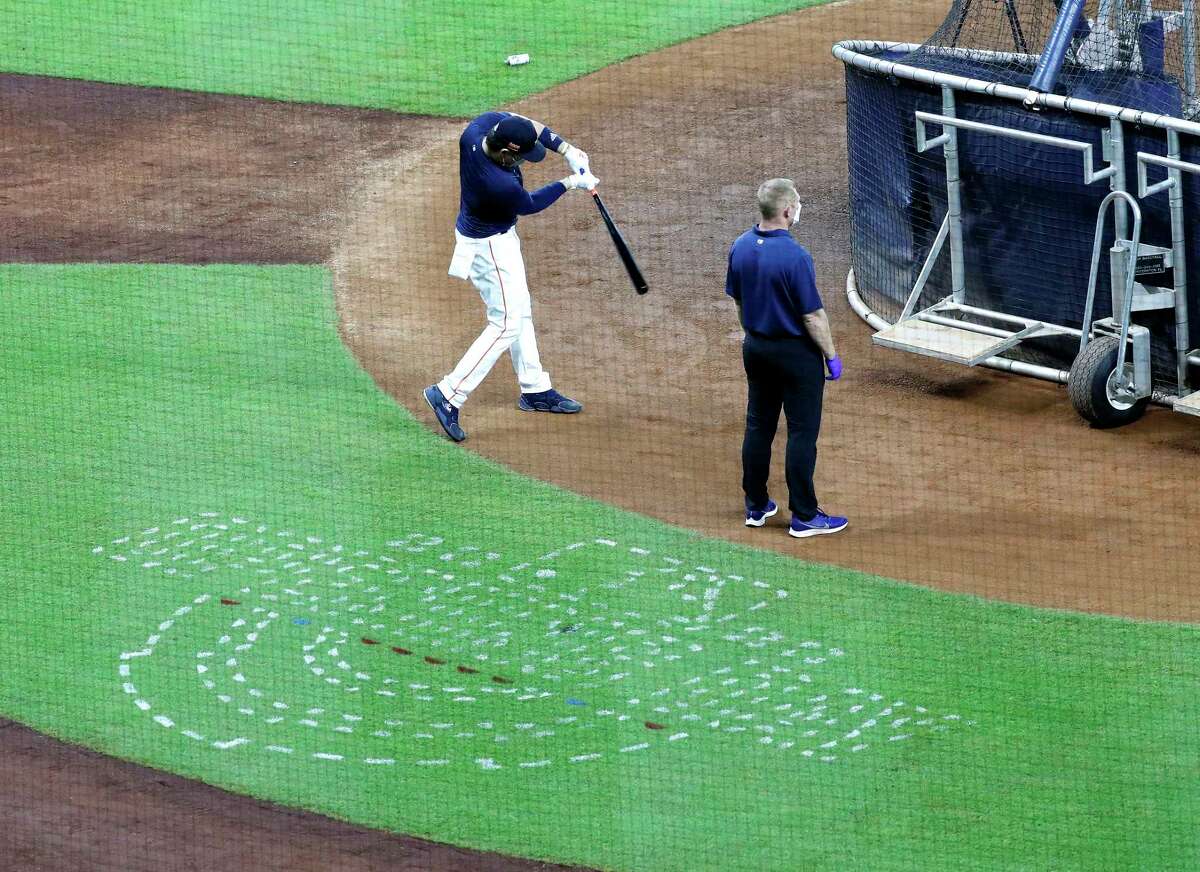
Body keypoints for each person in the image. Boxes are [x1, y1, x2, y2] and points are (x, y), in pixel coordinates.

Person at [423, 111, 599, 442]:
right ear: (506, 155)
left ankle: (535, 389)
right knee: (505, 324)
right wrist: (571, 183)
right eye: (522, 157)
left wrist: (566, 149)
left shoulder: (475, 133)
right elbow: (530, 203)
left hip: (497, 241)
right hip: (487, 251)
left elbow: (520, 121)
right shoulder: (498, 184)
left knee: (521, 308)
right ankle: (448, 394)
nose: (527, 162)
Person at [724, 178, 847, 538]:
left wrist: (753, 332)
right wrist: (831, 355)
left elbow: (738, 299)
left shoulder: (740, 246)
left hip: (757, 348)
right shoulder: (796, 256)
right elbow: (812, 316)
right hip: (795, 355)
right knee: (801, 433)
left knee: (758, 425)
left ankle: (756, 504)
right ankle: (805, 516)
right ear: (788, 211)